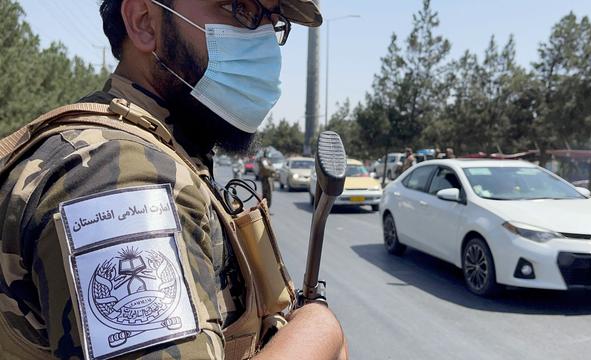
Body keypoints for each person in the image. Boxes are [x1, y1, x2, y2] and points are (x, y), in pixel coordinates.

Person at [0, 0, 347, 359]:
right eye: (238, 9)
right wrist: (319, 329)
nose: (261, 43)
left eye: (273, 23)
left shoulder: (167, 148)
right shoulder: (120, 178)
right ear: (144, 22)